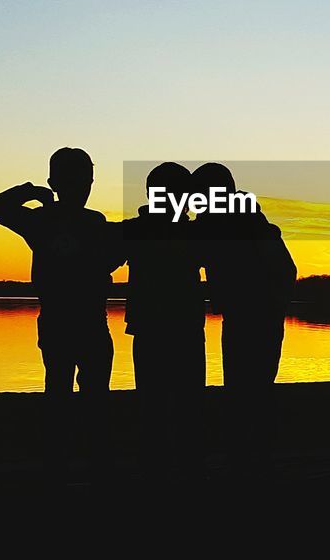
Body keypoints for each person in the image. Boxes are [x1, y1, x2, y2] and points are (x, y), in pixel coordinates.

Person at [0, 147, 123, 480]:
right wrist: (31, 192)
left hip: (79, 323)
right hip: (74, 323)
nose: (83, 187)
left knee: (69, 394)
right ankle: (79, 464)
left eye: (86, 180)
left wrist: (31, 194)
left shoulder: (51, 221)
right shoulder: (58, 221)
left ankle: (69, 464)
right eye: (79, 180)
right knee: (77, 395)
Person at [191, 162, 296, 480]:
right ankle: (249, 460)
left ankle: (252, 462)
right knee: (246, 390)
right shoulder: (224, 222)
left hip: (257, 316)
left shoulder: (248, 223)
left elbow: (284, 270)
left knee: (250, 391)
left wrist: (271, 304)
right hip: (244, 315)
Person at [121, 162, 207, 483]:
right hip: (172, 328)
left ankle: (164, 472)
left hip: (160, 328)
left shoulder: (136, 230)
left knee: (158, 406)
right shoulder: (193, 232)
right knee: (179, 406)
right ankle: (179, 472)